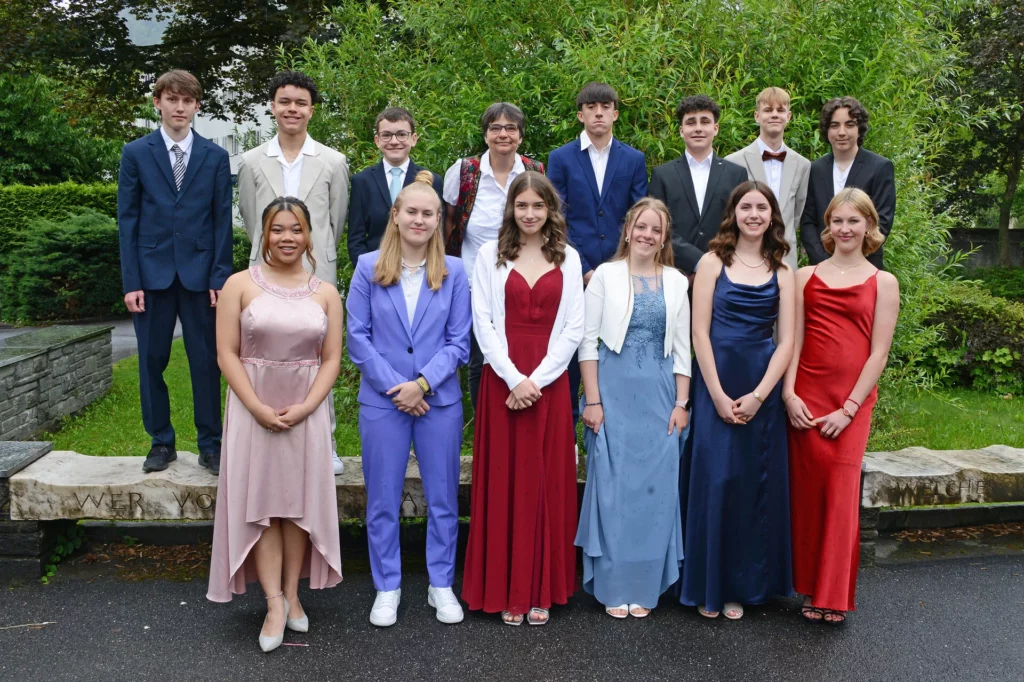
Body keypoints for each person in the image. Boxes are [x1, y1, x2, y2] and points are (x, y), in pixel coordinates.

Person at [206, 197, 344, 652]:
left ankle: (293, 596)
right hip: (253, 407)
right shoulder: (239, 285)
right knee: (263, 507)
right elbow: (226, 353)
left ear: (309, 235)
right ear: (264, 234)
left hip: (306, 408)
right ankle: (273, 602)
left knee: (297, 507)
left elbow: (332, 359)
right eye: (278, 229)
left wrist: (306, 407)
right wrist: (257, 407)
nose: (288, 238)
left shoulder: (325, 292)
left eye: (297, 229)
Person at [346, 171, 472, 628]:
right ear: (395, 216)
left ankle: (441, 584)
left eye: (429, 214)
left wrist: (422, 384)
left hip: (437, 401)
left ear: (439, 221)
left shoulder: (455, 272)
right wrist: (399, 387)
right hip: (384, 402)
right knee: (383, 498)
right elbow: (358, 339)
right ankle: (387, 587)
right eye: (412, 212)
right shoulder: (367, 267)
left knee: (442, 498)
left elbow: (459, 342)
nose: (420, 220)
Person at [461, 172, 584, 626]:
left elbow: (574, 327)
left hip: (549, 384)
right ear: (510, 210)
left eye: (538, 206)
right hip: (502, 381)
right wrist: (514, 379)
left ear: (551, 210)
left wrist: (539, 380)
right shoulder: (491, 257)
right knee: (505, 482)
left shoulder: (568, 259)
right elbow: (483, 324)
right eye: (522, 206)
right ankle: (504, 588)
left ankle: (540, 589)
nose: (530, 214)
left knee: (546, 483)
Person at [680, 180, 796, 620]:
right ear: (734, 212)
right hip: (716, 382)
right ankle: (708, 583)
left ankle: (740, 588)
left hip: (759, 386)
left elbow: (786, 342)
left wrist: (760, 395)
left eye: (761, 207)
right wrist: (715, 393)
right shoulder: (712, 262)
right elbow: (699, 333)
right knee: (716, 481)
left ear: (771, 216)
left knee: (750, 487)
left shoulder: (783, 271)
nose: (753, 214)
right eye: (745, 206)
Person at [785, 188, 900, 625]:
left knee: (840, 493)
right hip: (805, 398)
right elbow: (791, 340)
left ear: (870, 227)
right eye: (838, 221)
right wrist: (788, 394)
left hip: (850, 403)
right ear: (827, 227)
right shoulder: (804, 275)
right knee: (808, 495)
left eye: (855, 221)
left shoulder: (883, 282)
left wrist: (849, 408)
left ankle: (834, 594)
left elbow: (879, 353)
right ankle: (810, 588)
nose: (846, 229)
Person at [575, 197, 691, 619]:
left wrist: (682, 404)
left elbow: (683, 349)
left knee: (655, 491)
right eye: (641, 226)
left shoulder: (678, 281)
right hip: (613, 390)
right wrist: (593, 399)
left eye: (655, 230)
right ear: (627, 230)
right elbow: (587, 341)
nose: (647, 235)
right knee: (613, 487)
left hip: (660, 396)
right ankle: (613, 583)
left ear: (663, 239)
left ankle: (644, 583)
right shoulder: (605, 275)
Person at [117, 69, 232, 475]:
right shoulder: (135, 153)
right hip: (152, 276)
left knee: (206, 361)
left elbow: (222, 221)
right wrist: (132, 282)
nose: (179, 107)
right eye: (172, 99)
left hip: (202, 278)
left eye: (187, 101)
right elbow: (127, 220)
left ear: (197, 106)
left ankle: (211, 443)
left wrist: (220, 278)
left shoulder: (216, 157)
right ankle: (161, 441)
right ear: (158, 103)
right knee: (152, 360)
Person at [237, 70, 350, 475]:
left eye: (300, 103)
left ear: (311, 111)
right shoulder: (251, 162)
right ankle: (259, 436)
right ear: (273, 107)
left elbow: (334, 222)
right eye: (285, 102)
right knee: (260, 354)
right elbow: (254, 220)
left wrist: (315, 258)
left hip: (316, 275)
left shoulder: (334, 162)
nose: (292, 109)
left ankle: (325, 443)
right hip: (264, 275)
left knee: (319, 357)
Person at [548, 82, 648, 426]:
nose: (599, 112)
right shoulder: (560, 158)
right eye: (591, 107)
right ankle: (568, 435)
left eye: (606, 106)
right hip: (575, 270)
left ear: (616, 114)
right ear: (581, 114)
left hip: (622, 271)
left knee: (616, 349)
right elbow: (556, 217)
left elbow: (636, 218)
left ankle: (615, 426)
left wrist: (617, 268)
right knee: (572, 352)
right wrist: (587, 269)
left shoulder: (633, 159)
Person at [442, 102, 545, 407]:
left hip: (524, 281)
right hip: (474, 283)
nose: (503, 134)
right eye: (495, 127)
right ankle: (483, 428)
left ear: (521, 136)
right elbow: (447, 225)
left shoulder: (534, 171)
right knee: (479, 359)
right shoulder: (464, 172)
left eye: (511, 127)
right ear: (485, 134)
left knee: (520, 354)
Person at [649, 95, 748, 277]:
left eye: (705, 122)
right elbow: (659, 225)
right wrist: (698, 261)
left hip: (725, 272)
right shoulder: (662, 175)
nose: (698, 128)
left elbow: (739, 223)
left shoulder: (736, 174)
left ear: (715, 128)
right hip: (674, 273)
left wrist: (716, 263)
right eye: (691, 122)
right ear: (681, 130)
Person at [800, 97, 896, 269]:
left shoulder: (880, 167)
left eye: (849, 124)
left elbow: (882, 222)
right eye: (835, 125)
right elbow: (807, 221)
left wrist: (851, 260)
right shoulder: (814, 169)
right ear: (826, 130)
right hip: (821, 268)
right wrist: (824, 262)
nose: (841, 132)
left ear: (860, 129)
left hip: (865, 266)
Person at [725, 87, 810, 272]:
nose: (774, 115)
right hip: (744, 257)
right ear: (757, 116)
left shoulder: (803, 165)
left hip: (786, 258)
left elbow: (797, 214)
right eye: (768, 110)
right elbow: (729, 213)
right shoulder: (733, 162)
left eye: (780, 110)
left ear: (789, 116)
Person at [347, 107, 445, 264]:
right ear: (377, 140)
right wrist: (369, 273)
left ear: (413, 139)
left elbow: (438, 233)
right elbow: (355, 239)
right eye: (386, 135)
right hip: (376, 269)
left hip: (421, 269)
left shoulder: (432, 181)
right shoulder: (362, 181)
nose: (394, 141)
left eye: (401, 134)